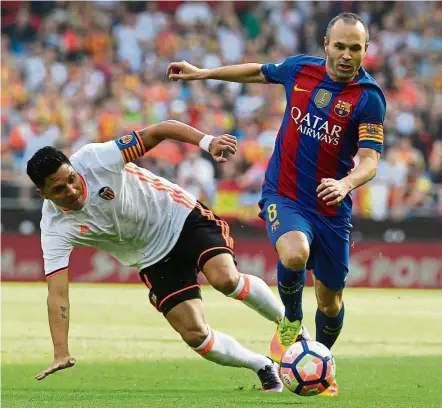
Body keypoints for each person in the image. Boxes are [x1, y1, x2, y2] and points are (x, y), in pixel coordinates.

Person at [167, 12, 386, 397]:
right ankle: (291, 321)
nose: (347, 55)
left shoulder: (369, 99)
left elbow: (370, 158)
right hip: (283, 195)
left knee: (331, 302)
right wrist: (202, 73)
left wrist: (347, 182)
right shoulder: (300, 70)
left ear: (366, 50)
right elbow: (258, 72)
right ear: (326, 45)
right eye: (340, 46)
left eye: (355, 48)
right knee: (295, 253)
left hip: (332, 207)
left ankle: (319, 363)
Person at [27, 119, 285, 392]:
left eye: (71, 179)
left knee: (225, 280)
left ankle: (290, 324)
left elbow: (159, 131)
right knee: (195, 335)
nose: (72, 190)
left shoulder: (96, 159)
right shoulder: (54, 228)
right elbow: (57, 294)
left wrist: (207, 142)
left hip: (180, 216)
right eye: (58, 190)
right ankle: (263, 365)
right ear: (42, 194)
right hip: (151, 257)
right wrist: (60, 351)